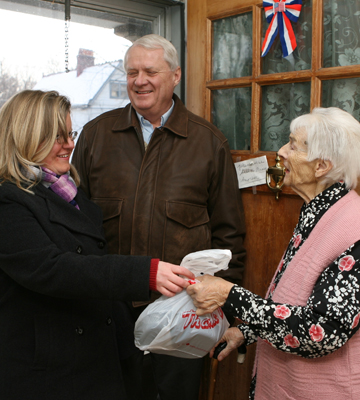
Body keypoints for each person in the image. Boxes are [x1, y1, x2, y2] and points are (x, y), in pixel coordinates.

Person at [72, 34, 246, 400]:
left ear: (175, 75)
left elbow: (229, 238)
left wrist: (227, 312)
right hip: (110, 313)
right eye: (132, 71)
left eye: (151, 71)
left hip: (182, 316)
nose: (139, 80)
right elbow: (74, 226)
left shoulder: (208, 143)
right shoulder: (95, 136)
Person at [0, 89, 195, 400]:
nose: (70, 145)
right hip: (50, 370)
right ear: (25, 137)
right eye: (57, 137)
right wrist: (144, 273)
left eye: (70, 133)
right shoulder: (8, 201)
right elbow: (53, 269)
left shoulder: (70, 194)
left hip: (96, 358)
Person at [187, 107, 360, 400]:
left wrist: (232, 296)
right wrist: (248, 332)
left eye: (293, 145)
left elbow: (320, 330)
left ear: (321, 166)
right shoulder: (319, 210)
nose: (281, 152)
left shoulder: (353, 228)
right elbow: (295, 300)